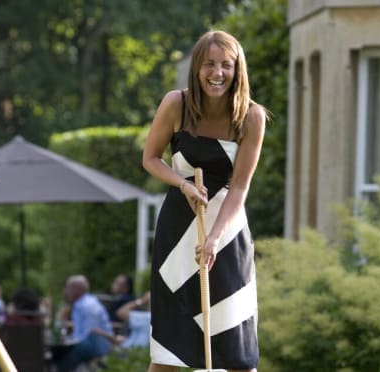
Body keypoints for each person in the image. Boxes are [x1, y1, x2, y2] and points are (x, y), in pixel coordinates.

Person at [142, 30, 267, 372]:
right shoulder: (176, 104)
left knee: (237, 354)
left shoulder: (251, 117)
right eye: (210, 64)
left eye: (226, 65)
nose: (218, 73)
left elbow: (240, 188)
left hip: (225, 233)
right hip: (179, 231)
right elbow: (151, 159)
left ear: (237, 69)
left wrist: (214, 239)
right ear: (197, 68)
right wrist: (182, 184)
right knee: (169, 352)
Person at [53, 275, 113, 372]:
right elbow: (83, 329)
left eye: (68, 288)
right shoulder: (82, 303)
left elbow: (91, 332)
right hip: (93, 342)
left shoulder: (87, 305)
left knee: (62, 357)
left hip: (98, 345)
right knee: (60, 353)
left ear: (77, 289)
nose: (65, 292)